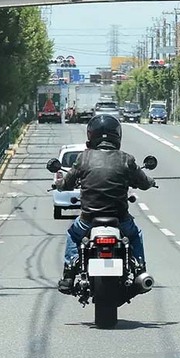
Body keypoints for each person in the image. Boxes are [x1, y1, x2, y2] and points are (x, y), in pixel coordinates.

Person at [55, 113, 155, 293]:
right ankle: (140, 271)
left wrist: (59, 184)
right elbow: (143, 182)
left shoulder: (84, 158)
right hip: (120, 218)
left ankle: (69, 275)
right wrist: (150, 182)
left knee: (73, 234)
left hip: (88, 219)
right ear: (117, 135)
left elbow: (67, 182)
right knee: (135, 234)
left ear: (90, 135)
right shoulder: (126, 159)